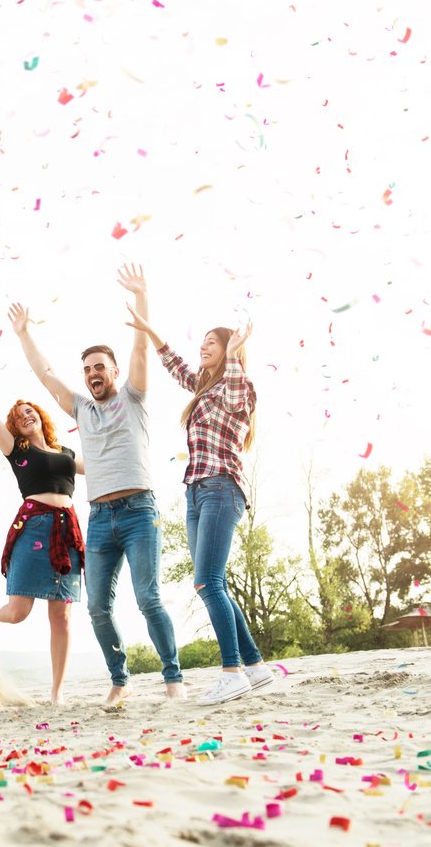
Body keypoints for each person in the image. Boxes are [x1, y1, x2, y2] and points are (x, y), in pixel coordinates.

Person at [11, 264, 186, 707]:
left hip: (139, 512)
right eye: (87, 368)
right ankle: (119, 679)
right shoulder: (81, 410)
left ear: (113, 371)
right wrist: (24, 333)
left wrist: (142, 299)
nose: (93, 373)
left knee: (148, 597)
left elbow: (142, 352)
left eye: (100, 367)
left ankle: (172, 679)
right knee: (95, 608)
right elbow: (45, 375)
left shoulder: (133, 397)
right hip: (100, 519)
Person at [124, 301, 272, 706]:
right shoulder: (205, 388)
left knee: (207, 582)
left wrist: (238, 350)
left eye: (212, 343)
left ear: (228, 351)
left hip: (221, 488)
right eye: (202, 341)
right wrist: (149, 329)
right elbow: (174, 365)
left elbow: (238, 390)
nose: (203, 347)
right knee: (214, 581)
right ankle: (255, 666)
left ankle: (231, 671)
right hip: (196, 491)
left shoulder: (236, 388)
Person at [0, 351, 84, 705]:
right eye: (19, 416)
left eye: (30, 411)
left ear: (41, 416)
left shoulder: (66, 454)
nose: (25, 416)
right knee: (19, 611)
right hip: (34, 529)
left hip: (66, 531)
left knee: (62, 615)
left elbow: (103, 467)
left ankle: (56, 693)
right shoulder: (18, 450)